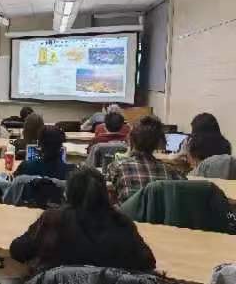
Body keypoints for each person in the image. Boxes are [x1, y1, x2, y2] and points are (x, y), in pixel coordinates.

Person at [10, 166, 156, 272]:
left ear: (68, 194)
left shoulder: (54, 220)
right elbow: (148, 263)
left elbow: (18, 250)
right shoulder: (123, 224)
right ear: (106, 194)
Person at [107, 115, 185, 202]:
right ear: (159, 143)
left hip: (129, 210)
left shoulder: (117, 166)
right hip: (159, 211)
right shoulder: (170, 171)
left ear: (131, 139)